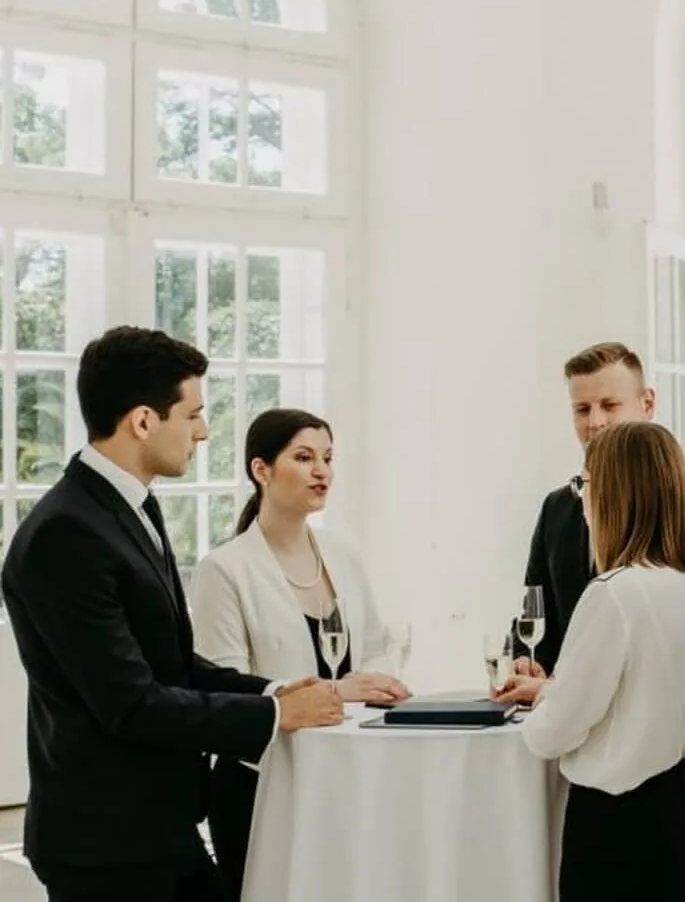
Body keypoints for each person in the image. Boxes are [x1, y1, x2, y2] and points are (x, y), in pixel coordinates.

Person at [0, 326, 343, 902]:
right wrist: (274, 715)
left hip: (159, 828)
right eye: (193, 414)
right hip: (106, 844)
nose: (203, 431)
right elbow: (130, 703)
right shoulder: (66, 533)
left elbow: (173, 663)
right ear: (142, 421)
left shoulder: (129, 507)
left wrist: (276, 690)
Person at [491, 421, 685, 902]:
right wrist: (555, 691)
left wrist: (544, 705)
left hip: (619, 833)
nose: (580, 499)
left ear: (613, 492)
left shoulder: (614, 594)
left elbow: (554, 733)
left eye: (584, 483)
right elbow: (645, 692)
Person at [191, 408, 413, 900]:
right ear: (261, 470)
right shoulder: (222, 569)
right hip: (260, 786)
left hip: (343, 775)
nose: (322, 471)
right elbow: (224, 687)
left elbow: (375, 648)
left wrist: (379, 685)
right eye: (304, 457)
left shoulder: (343, 555)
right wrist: (336, 691)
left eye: (328, 458)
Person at [517, 341, 685, 808]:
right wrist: (529, 663)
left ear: (647, 404)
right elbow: (535, 614)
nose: (595, 422)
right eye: (582, 408)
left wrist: (568, 694)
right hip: (577, 750)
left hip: (666, 757)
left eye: (609, 405)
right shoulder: (558, 507)